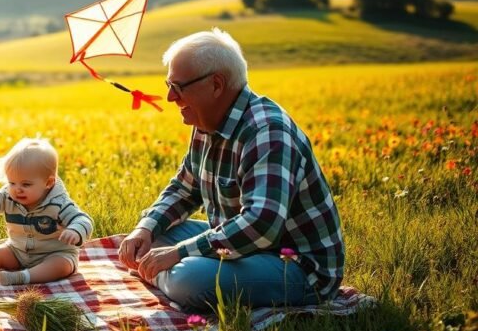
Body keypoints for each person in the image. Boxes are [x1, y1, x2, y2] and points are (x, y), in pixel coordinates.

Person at [118, 28, 345, 311]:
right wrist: (146, 229)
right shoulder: (205, 121)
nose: (169, 97)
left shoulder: (267, 132)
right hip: (240, 246)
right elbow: (184, 189)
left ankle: (170, 278)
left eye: (178, 87)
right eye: (168, 84)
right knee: (150, 241)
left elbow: (261, 224)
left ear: (216, 85)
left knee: (189, 279)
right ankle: (163, 271)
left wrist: (179, 253)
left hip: (294, 264)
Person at [0, 138, 94, 285]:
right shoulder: (9, 196)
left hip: (54, 254)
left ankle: (21, 277)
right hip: (17, 252)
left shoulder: (59, 204)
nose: (17, 189)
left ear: (48, 183)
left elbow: (83, 220)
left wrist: (75, 230)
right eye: (12, 183)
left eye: (26, 184)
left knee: (61, 265)